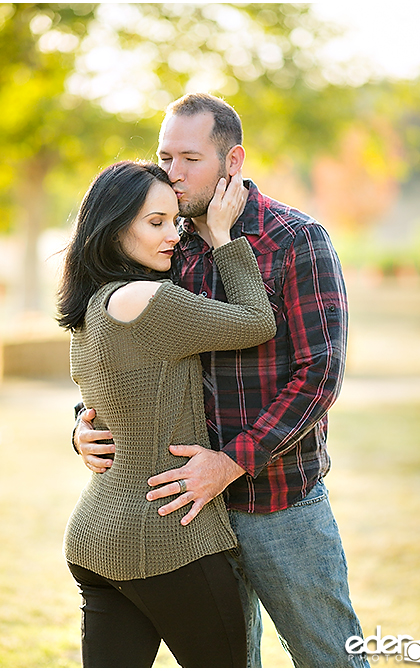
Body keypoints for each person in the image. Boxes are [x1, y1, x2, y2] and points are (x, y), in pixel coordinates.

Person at [74, 93, 368, 668]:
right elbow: (115, 351)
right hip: (185, 519)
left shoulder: (295, 240)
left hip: (277, 505)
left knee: (331, 656)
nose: (173, 175)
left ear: (232, 161)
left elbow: (320, 374)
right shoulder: (161, 239)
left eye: (189, 159)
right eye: (165, 157)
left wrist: (231, 461)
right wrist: (84, 425)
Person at [58, 159, 275, 667]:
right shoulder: (144, 298)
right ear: (112, 229)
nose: (173, 235)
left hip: (95, 535)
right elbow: (256, 321)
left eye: (174, 221)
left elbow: (108, 403)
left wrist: (78, 429)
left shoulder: (90, 308)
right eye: (155, 223)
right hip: (167, 537)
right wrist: (222, 237)